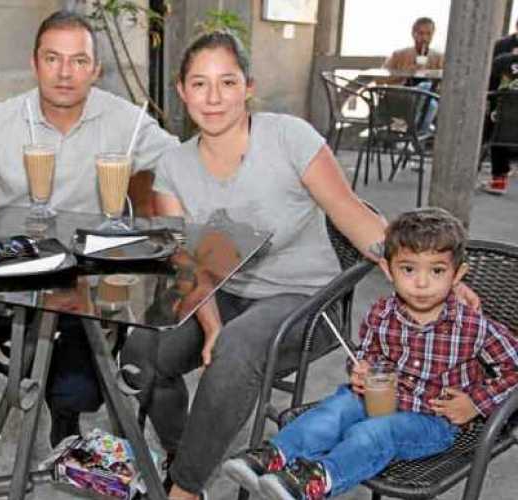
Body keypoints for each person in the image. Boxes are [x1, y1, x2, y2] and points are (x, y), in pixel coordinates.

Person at [119, 32, 388, 500]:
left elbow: (353, 216)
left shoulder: (289, 137)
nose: (214, 97)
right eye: (200, 84)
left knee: (237, 348)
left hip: (306, 299)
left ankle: (183, 489)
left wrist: (420, 271)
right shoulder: (173, 167)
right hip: (221, 289)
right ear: (182, 92)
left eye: (227, 82)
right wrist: (210, 325)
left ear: (248, 87)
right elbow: (189, 262)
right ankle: (185, 454)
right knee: (143, 348)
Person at [0, 10, 179, 445]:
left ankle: (57, 395)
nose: (65, 73)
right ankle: (39, 366)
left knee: (79, 385)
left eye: (79, 61)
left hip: (89, 275)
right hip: (14, 267)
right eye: (52, 59)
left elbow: (182, 165)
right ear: (34, 64)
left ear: (96, 70)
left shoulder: (123, 119)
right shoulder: (3, 119)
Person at [223, 208, 518, 500]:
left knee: (372, 434)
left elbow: (514, 369)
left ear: (457, 275)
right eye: (408, 269)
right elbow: (368, 354)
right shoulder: (381, 313)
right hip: (381, 398)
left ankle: (318, 479)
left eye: (437, 270)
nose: (422, 282)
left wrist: (475, 404)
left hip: (432, 421)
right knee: (334, 411)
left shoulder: (472, 326)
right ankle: (275, 454)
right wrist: (362, 372)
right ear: (389, 270)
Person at [481, 52, 518, 194]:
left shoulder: (501, 62)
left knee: (498, 120)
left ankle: (499, 180)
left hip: (500, 130)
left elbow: (487, 90)